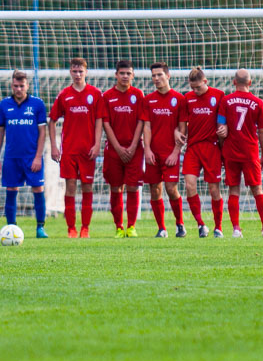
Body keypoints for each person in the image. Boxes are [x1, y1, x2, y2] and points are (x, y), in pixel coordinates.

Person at [48, 58, 104, 238]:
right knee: (70, 188)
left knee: (87, 188)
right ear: (70, 72)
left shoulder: (95, 94)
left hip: (88, 150)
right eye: (74, 71)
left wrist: (97, 144)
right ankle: (71, 228)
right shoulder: (64, 94)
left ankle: (85, 228)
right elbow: (52, 121)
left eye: (80, 71)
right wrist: (54, 146)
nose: (78, 74)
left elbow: (99, 120)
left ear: (86, 72)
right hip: (69, 150)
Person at [216, 69, 263, 238]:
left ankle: (236, 229)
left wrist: (222, 148)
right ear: (250, 83)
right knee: (257, 189)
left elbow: (220, 128)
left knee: (233, 190)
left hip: (231, 151)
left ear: (234, 82)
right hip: (250, 152)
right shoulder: (259, 103)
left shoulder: (225, 101)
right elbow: (262, 132)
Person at [0, 70, 49, 238]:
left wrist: (38, 157)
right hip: (11, 157)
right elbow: (0, 132)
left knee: (38, 188)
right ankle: (11, 228)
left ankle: (40, 228)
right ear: (12, 85)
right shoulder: (4, 105)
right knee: (11, 189)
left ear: (27, 86)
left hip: (32, 157)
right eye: (16, 86)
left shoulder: (37, 104)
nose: (18, 89)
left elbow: (42, 132)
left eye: (21, 86)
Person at [141, 62, 187, 238]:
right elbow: (147, 126)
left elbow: (182, 129)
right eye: (153, 75)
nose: (156, 78)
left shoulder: (179, 99)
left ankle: (180, 224)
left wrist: (176, 152)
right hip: (153, 153)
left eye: (159, 75)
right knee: (155, 189)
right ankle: (161, 228)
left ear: (168, 76)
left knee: (171, 188)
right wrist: (147, 150)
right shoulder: (148, 100)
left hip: (170, 153)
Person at [175, 67, 223, 238]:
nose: (195, 90)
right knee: (189, 185)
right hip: (193, 148)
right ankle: (201, 224)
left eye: (198, 87)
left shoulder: (218, 95)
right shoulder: (187, 98)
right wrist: (177, 132)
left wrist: (224, 129)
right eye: (192, 87)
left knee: (214, 189)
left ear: (205, 81)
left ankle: (218, 227)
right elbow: (182, 123)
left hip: (212, 147)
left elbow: (224, 119)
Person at [101, 60, 145, 238]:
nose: (125, 76)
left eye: (128, 73)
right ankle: (119, 227)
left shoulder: (138, 94)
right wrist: (118, 148)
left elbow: (141, 121)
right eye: (122, 73)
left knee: (133, 187)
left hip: (135, 149)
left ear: (133, 75)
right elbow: (106, 124)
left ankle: (131, 226)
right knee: (115, 188)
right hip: (113, 150)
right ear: (116, 75)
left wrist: (133, 146)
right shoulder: (107, 96)